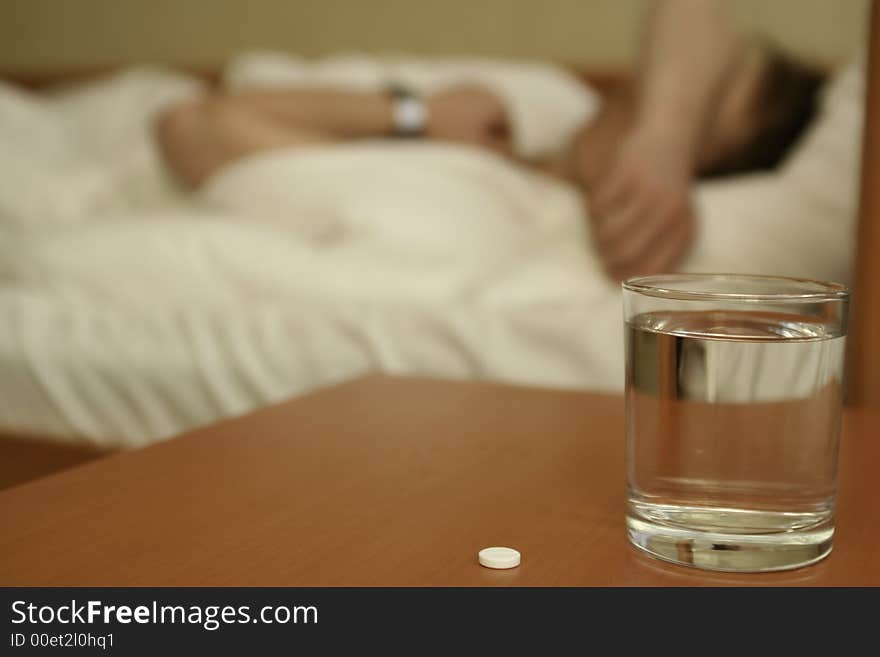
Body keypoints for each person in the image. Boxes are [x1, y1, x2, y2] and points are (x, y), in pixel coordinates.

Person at [155, 0, 825, 280]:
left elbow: (193, 129)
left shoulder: (511, 214)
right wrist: (667, 131)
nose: (672, 89)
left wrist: (411, 121)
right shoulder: (548, 102)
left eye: (709, 105)